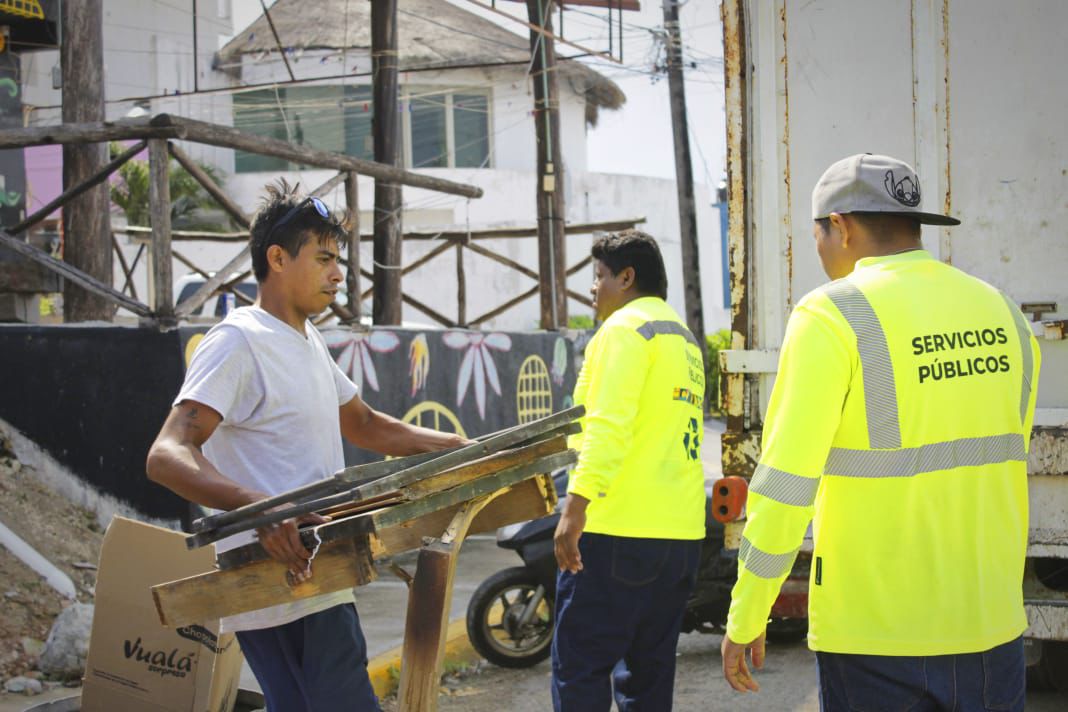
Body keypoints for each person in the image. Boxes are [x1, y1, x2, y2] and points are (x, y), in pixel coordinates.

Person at [721, 154, 1040, 711]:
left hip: (874, 638)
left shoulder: (830, 316)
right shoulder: (1004, 313)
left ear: (839, 225)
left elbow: (784, 487)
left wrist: (749, 611)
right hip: (991, 630)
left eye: (817, 234)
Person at [146, 180, 465, 712]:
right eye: (323, 259)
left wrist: (453, 444)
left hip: (314, 575)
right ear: (277, 257)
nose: (338, 274)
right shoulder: (239, 341)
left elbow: (363, 423)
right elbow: (167, 453)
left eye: (338, 260)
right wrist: (257, 509)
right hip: (286, 576)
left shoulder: (306, 339)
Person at [551, 230, 706, 711]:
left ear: (627, 276)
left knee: (579, 670)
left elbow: (607, 425)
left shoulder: (624, 331)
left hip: (617, 534)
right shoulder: (684, 342)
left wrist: (575, 507)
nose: (593, 289)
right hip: (678, 539)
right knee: (648, 679)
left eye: (599, 276)